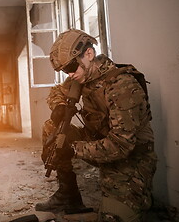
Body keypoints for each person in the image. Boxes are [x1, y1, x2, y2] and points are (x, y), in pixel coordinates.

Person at [35, 29, 157, 222]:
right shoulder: (83, 76)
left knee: (113, 217)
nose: (70, 74)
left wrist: (74, 149)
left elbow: (121, 145)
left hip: (130, 159)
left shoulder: (122, 86)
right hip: (99, 144)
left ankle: (138, 196)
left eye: (72, 67)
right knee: (52, 127)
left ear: (89, 54)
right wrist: (58, 106)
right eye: (65, 70)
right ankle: (69, 196)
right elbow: (57, 91)